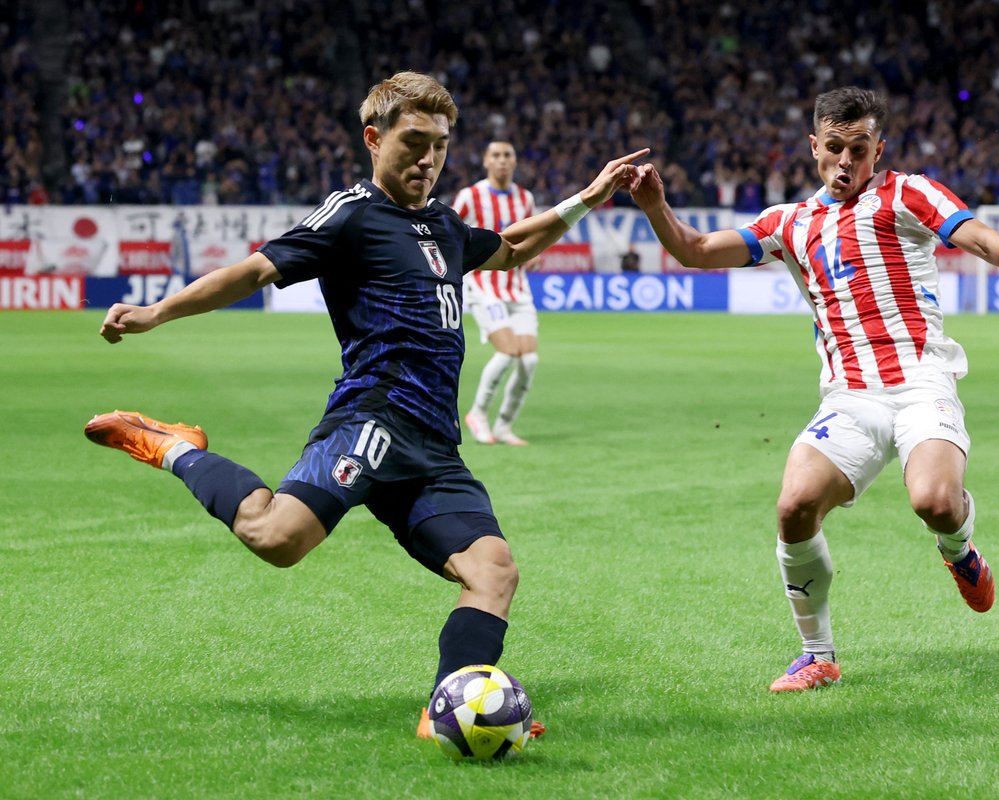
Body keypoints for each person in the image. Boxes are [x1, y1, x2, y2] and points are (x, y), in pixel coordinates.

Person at [83, 70, 647, 736]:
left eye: (439, 145)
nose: (429, 159)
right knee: (276, 538)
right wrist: (156, 312)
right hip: (372, 420)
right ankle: (171, 445)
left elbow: (515, 247)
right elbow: (258, 268)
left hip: (434, 448)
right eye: (414, 141)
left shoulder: (442, 225)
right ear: (374, 138)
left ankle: (449, 711)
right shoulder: (352, 213)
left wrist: (588, 196)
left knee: (493, 572)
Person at [628, 86, 999, 693]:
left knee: (935, 503)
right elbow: (695, 250)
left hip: (920, 381)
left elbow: (979, 237)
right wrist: (656, 207)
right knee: (793, 506)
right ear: (814, 146)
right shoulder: (789, 222)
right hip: (848, 398)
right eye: (833, 148)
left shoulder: (909, 193)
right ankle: (817, 655)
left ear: (877, 148)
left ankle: (961, 550)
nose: (845, 162)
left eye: (857, 150)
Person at [453, 141, 540, 446]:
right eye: (496, 156)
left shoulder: (524, 198)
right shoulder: (470, 196)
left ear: (514, 162)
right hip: (483, 286)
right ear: (486, 161)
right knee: (507, 352)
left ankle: (503, 425)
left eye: (508, 156)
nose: (502, 161)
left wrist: (534, 255)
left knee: (528, 361)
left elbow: (530, 237)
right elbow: (448, 231)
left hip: (518, 288)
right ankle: (477, 413)